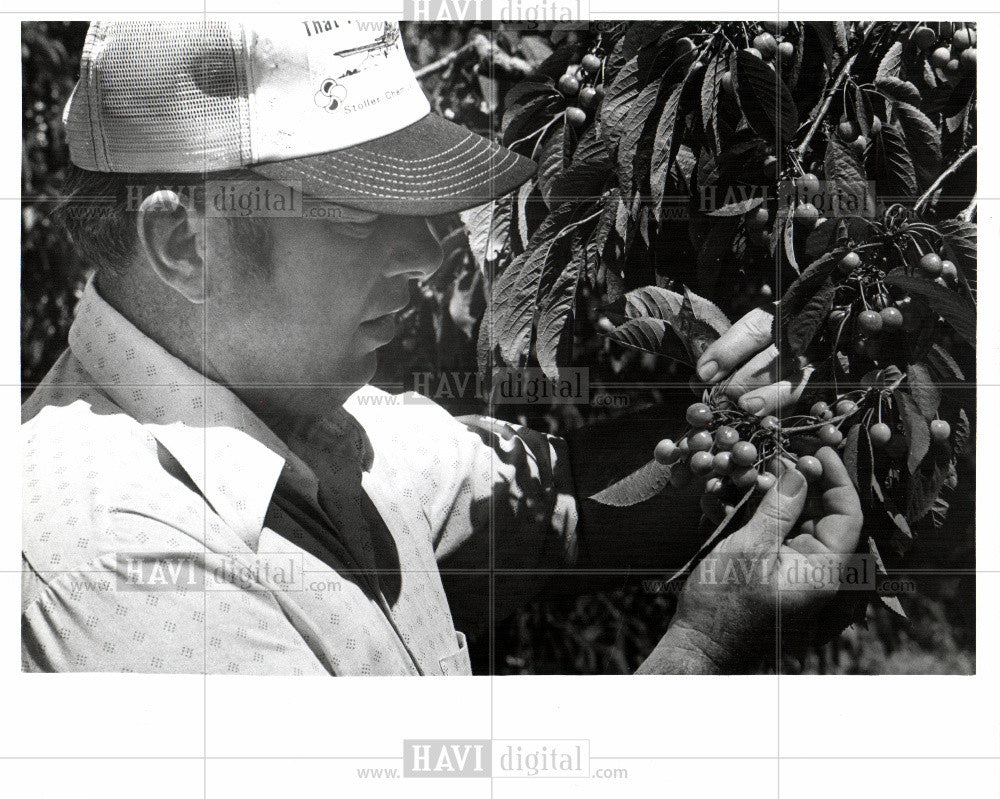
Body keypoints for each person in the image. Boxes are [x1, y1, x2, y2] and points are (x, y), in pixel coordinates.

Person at [21, 20, 862, 675]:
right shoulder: (114, 563)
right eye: (358, 213)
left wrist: (760, 417)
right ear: (183, 243)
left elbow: (557, 495)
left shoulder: (323, 422)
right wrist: (705, 649)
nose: (425, 255)